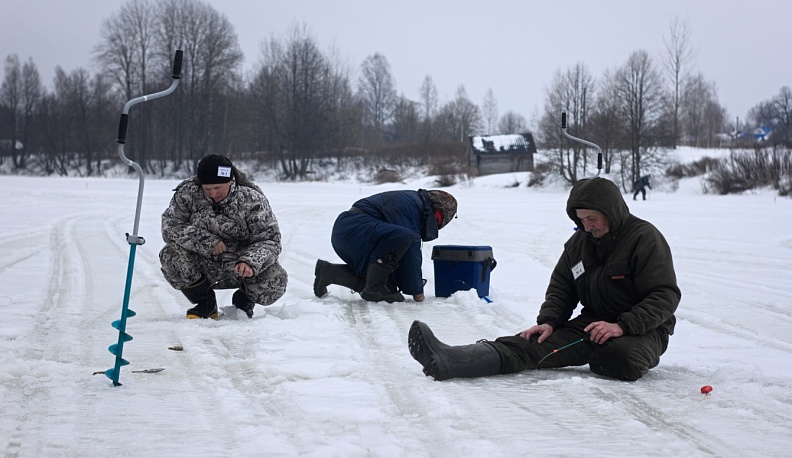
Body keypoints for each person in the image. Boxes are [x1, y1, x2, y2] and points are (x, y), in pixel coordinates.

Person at [408, 177, 680, 382]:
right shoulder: (579, 243)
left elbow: (664, 295)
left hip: (643, 328)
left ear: (611, 212)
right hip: (594, 322)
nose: (587, 226)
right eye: (581, 219)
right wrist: (549, 321)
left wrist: (622, 325)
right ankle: (451, 359)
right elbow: (563, 286)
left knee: (619, 359)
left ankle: (611, 351)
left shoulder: (644, 239)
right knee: (533, 346)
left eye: (592, 218)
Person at [159, 154, 288, 319]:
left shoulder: (251, 198)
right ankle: (205, 304)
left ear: (230, 181)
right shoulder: (187, 194)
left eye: (218, 188)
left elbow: (270, 240)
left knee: (275, 279)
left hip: (239, 265)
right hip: (202, 262)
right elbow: (170, 226)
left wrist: (249, 262)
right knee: (170, 254)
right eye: (207, 189)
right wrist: (207, 241)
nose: (213, 194)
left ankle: (243, 303)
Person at [314, 189, 457, 303]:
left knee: (385, 286)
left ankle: (329, 272)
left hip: (350, 233)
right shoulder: (411, 205)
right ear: (436, 210)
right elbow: (410, 246)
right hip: (354, 231)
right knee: (406, 238)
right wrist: (416, 290)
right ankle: (374, 288)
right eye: (438, 220)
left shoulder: (414, 201)